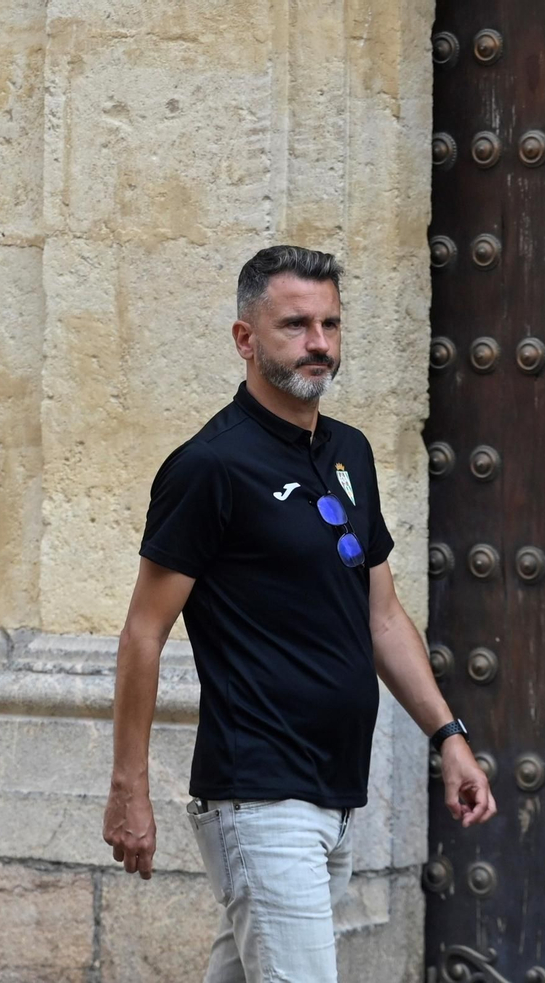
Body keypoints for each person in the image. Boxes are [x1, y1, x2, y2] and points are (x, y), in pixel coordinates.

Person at [101, 245, 496, 982]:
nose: (319, 343)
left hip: (336, 793)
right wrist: (130, 787)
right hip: (261, 795)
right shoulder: (210, 467)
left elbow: (383, 617)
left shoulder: (351, 452)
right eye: (295, 325)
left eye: (330, 324)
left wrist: (449, 736)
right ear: (245, 339)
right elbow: (143, 634)